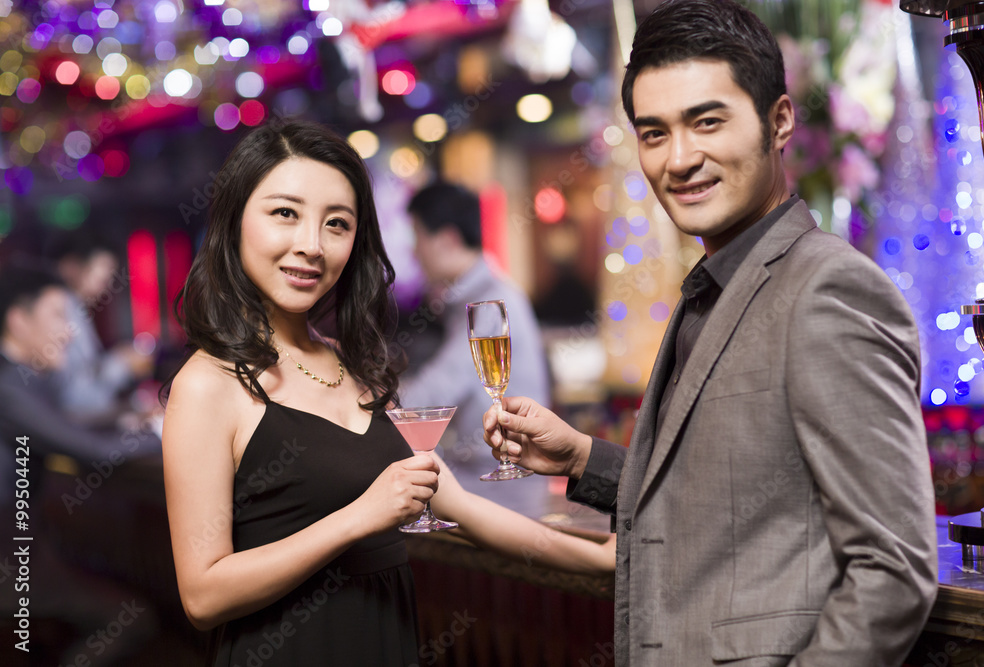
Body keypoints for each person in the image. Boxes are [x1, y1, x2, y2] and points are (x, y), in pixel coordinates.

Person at [483, 1, 938, 665]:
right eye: (654, 132)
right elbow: (743, 496)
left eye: (707, 121)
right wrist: (584, 459)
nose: (680, 158)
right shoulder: (719, 279)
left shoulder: (827, 291)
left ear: (779, 121)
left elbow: (893, 568)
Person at [161, 120, 614, 667]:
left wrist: (603, 561)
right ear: (235, 222)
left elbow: (464, 509)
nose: (311, 245)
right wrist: (360, 516)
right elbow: (203, 596)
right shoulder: (208, 384)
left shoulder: (355, 367)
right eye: (285, 213)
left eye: (337, 224)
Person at [0, 267, 160, 665]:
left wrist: (127, 422)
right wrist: (160, 428)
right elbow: (96, 453)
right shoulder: (7, 387)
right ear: (19, 320)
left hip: (24, 546)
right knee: (132, 620)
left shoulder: (20, 381)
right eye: (58, 316)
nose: (70, 333)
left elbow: (66, 423)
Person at [398, 182, 551, 489]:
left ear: (447, 239)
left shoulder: (489, 304)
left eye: (418, 237)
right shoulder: (469, 297)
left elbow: (431, 395)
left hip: (501, 480)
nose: (414, 252)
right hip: (485, 470)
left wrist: (372, 399)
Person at [47, 232, 154, 425]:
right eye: (102, 279)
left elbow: (85, 373)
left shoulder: (78, 310)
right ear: (71, 267)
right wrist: (123, 363)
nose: (106, 287)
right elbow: (73, 397)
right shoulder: (64, 311)